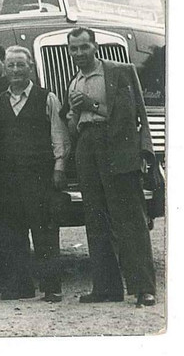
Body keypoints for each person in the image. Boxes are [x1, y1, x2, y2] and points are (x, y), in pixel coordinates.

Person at [65, 28, 157, 307]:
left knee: (130, 218)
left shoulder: (120, 71)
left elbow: (136, 112)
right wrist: (74, 113)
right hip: (86, 146)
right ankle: (106, 288)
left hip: (116, 145)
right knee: (95, 218)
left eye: (84, 47)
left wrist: (145, 152)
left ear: (95, 46)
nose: (79, 53)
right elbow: (74, 127)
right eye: (74, 49)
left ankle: (143, 288)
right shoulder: (74, 82)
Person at [0, 46, 70, 303]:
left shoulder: (46, 98)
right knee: (13, 231)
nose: (16, 70)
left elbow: (59, 136)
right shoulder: (0, 100)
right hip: (9, 177)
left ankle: (51, 287)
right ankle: (20, 286)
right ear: (5, 70)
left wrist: (59, 167)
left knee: (44, 230)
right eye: (11, 65)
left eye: (21, 65)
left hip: (40, 175)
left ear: (31, 68)